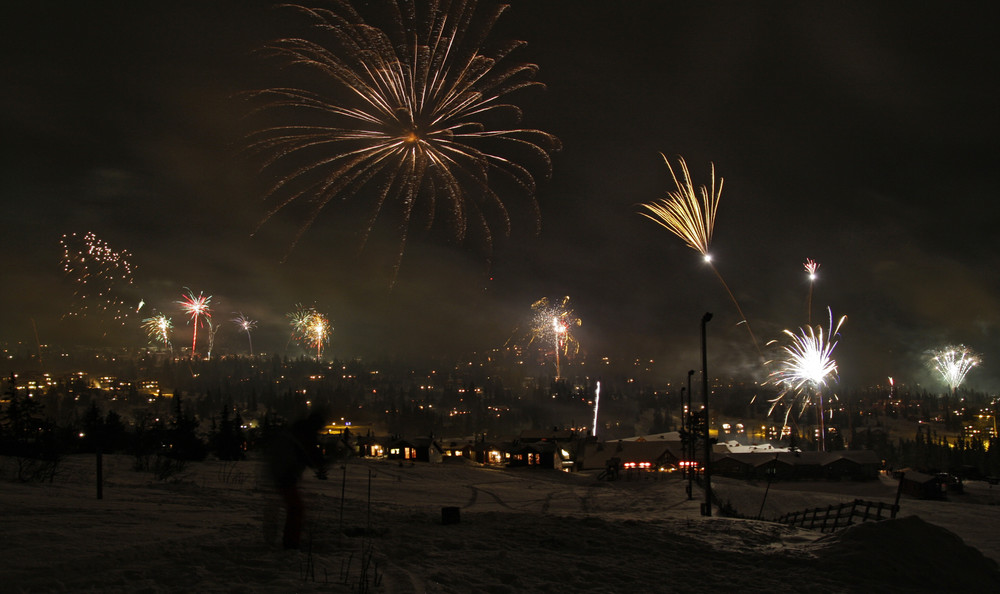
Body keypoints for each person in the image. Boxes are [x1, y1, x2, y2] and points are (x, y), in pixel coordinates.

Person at [266, 410, 329, 549]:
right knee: (296, 508)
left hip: (281, 471)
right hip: (285, 473)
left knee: (293, 507)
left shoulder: (298, 430)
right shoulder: (305, 434)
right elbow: (311, 457)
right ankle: (290, 543)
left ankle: (289, 539)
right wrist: (324, 461)